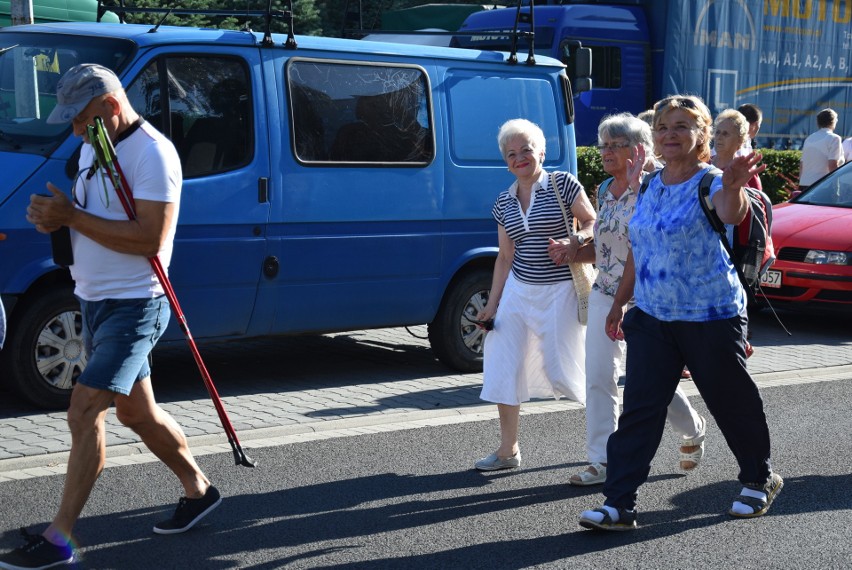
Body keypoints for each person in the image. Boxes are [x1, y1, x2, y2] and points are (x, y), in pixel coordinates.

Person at [0, 64, 220, 570]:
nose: (74, 130)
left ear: (110, 107)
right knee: (135, 413)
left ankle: (60, 540)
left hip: (136, 305)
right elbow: (91, 220)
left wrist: (72, 217)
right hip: (94, 303)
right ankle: (198, 488)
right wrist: (52, 218)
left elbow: (149, 239)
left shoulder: (153, 154)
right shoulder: (93, 147)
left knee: (83, 412)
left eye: (79, 119)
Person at [578, 95, 781, 531]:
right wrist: (619, 303)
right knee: (639, 409)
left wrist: (735, 185)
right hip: (651, 315)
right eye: (664, 127)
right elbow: (639, 246)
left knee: (730, 401)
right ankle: (619, 503)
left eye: (683, 127)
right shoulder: (649, 184)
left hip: (710, 314)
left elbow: (731, 212)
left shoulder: (711, 182)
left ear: (701, 135)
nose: (671, 135)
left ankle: (758, 480)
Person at [568, 113, 706, 487]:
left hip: (646, 298)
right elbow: (605, 246)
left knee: (650, 380)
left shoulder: (653, 188)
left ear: (639, 149)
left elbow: (650, 244)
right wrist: (575, 246)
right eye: (604, 145)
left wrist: (638, 187)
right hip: (604, 292)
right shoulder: (601, 191)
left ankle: (693, 429)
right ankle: (601, 460)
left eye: (616, 145)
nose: (607, 152)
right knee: (598, 376)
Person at [473, 118, 595, 471]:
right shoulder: (503, 201)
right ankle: (508, 450)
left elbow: (593, 222)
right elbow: (505, 257)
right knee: (502, 364)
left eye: (526, 149)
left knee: (568, 371)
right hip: (518, 292)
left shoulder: (563, 184)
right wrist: (491, 307)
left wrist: (575, 241)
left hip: (560, 291)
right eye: (511, 154)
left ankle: (606, 446)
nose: (519, 158)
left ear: (541, 151)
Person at [799, 108, 844, 191]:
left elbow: (802, 165)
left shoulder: (809, 138)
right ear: (833, 121)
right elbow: (832, 165)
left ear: (818, 122)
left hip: (804, 185)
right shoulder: (834, 138)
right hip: (823, 186)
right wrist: (837, 187)